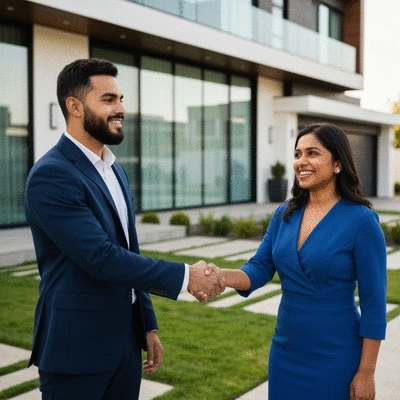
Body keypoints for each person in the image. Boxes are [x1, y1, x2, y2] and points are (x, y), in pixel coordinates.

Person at [24, 58, 225, 400]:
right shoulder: (52, 175)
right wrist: (186, 275)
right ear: (74, 106)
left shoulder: (114, 170)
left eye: (120, 99)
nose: (121, 109)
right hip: (77, 350)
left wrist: (146, 324)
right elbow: (100, 257)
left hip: (125, 346)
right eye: (108, 100)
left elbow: (128, 252)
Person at [218, 124, 387, 399]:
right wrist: (220, 276)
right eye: (297, 154)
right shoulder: (284, 214)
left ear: (337, 164)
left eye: (312, 153)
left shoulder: (362, 221)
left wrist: (366, 372)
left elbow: (374, 304)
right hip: (286, 351)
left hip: (337, 354)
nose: (301, 162)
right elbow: (259, 267)